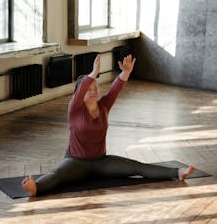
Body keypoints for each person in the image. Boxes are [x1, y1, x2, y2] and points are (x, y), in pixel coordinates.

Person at [22, 54, 195, 196]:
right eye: (88, 89)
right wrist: (93, 74)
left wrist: (125, 73)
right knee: (57, 175)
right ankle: (34, 188)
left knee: (138, 167)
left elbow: (116, 88)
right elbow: (82, 88)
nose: (93, 91)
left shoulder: (104, 105)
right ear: (79, 94)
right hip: (76, 161)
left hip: (101, 162)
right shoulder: (74, 109)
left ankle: (178, 173)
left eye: (95, 88)